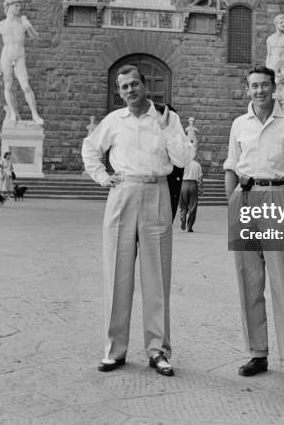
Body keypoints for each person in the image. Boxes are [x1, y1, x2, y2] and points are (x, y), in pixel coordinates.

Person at [82, 65, 193, 377]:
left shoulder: (167, 118)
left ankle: (158, 351)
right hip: (123, 193)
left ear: (146, 86)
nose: (129, 90)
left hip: (157, 193)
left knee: (157, 276)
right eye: (123, 87)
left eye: (134, 84)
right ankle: (114, 351)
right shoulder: (114, 121)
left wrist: (169, 127)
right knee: (117, 274)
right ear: (120, 92)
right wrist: (103, 177)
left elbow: (183, 159)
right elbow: (90, 148)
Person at [224, 65, 284, 392]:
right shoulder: (238, 125)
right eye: (253, 86)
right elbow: (231, 165)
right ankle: (257, 354)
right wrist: (232, 201)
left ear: (274, 88)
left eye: (264, 85)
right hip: (243, 198)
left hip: (275, 195)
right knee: (249, 281)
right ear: (247, 89)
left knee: (283, 283)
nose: (259, 91)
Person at [0, 0, 44, 125]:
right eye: (16, 6)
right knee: (8, 86)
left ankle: (35, 114)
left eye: (20, 6)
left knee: (25, 86)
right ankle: (13, 113)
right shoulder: (0, 25)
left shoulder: (23, 22)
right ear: (8, 7)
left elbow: (36, 38)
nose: (19, 8)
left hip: (19, 56)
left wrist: (29, 27)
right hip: (6, 56)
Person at [179, 152, 203, 232]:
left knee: (183, 204)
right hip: (193, 184)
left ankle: (183, 217)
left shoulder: (183, 164)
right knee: (193, 206)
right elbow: (200, 178)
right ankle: (189, 226)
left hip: (184, 184)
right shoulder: (197, 165)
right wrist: (201, 188)